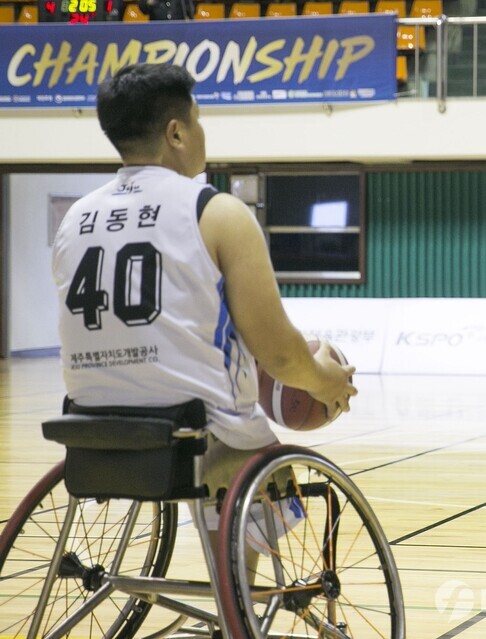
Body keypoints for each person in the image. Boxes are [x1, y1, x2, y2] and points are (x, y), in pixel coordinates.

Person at [51, 63, 356, 557]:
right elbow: (278, 355)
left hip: (89, 426)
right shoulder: (215, 211)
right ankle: (243, 612)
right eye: (198, 120)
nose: (202, 132)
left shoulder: (74, 218)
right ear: (176, 132)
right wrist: (325, 383)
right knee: (263, 474)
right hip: (195, 432)